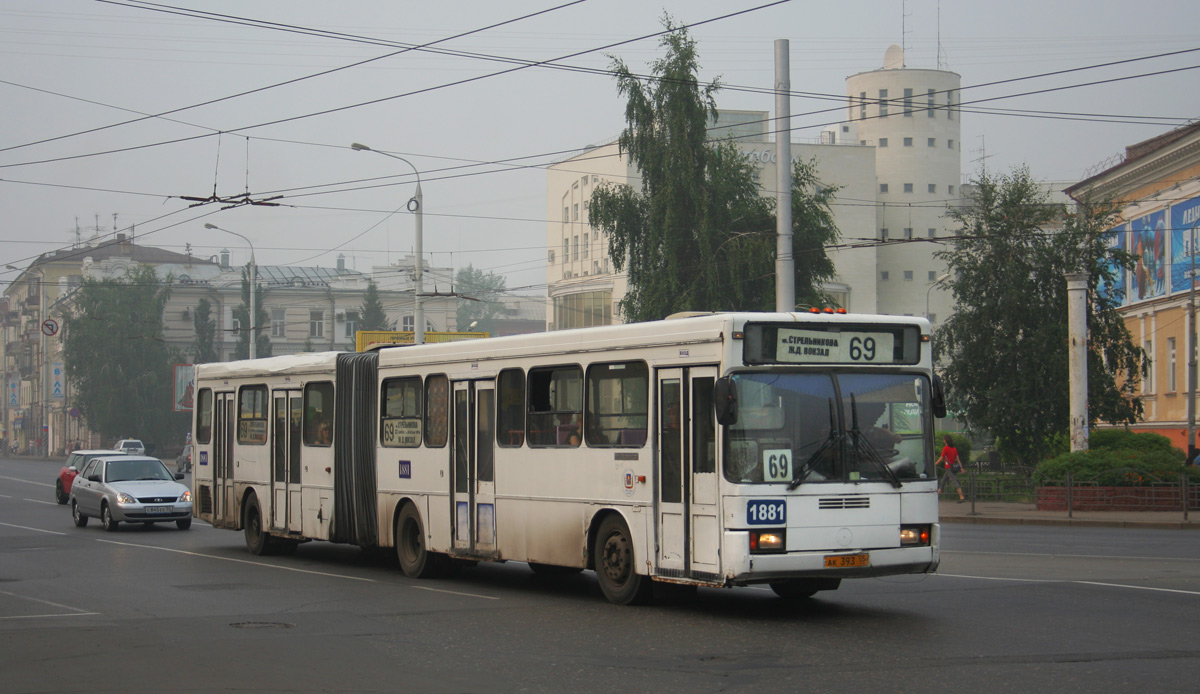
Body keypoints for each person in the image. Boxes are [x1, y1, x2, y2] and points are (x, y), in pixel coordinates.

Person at [936, 435, 965, 502]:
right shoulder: (954, 449)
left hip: (948, 468)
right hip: (953, 468)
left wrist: (935, 464)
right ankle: (936, 497)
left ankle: (961, 497)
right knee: (943, 482)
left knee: (955, 481)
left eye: (944, 439)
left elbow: (941, 458)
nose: (943, 440)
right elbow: (958, 459)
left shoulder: (945, 448)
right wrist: (961, 467)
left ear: (946, 441)